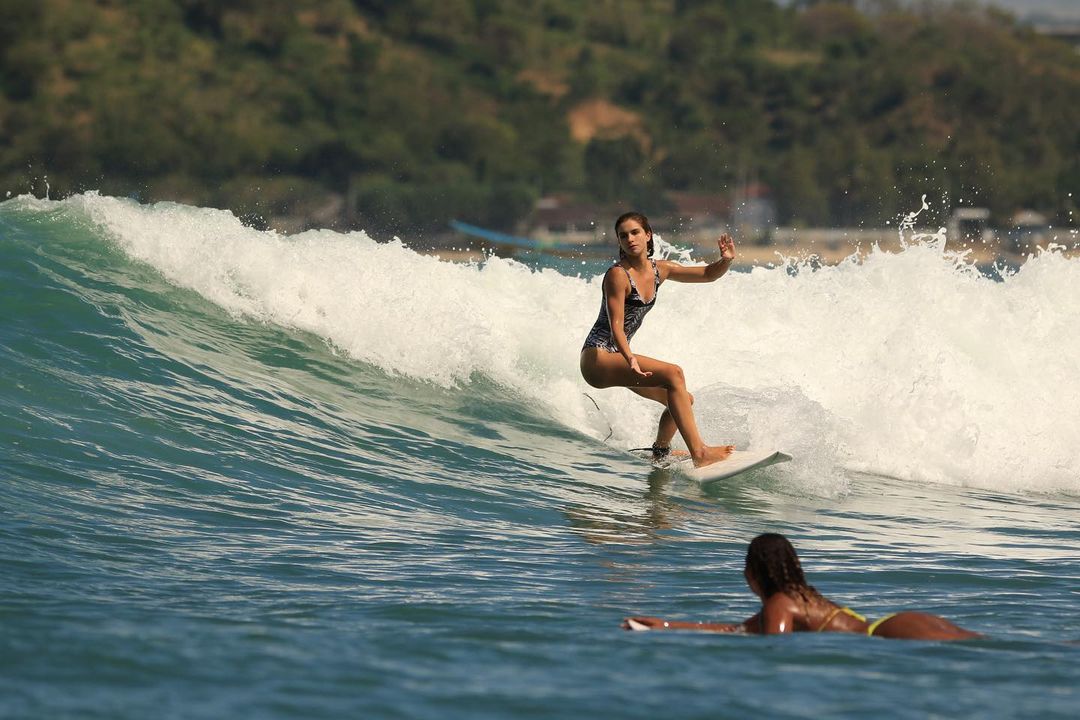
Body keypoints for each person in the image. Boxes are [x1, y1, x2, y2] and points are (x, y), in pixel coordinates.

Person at [580, 211, 736, 469]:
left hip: (619, 357)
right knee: (675, 373)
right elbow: (616, 325)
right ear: (619, 242)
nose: (630, 239)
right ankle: (700, 453)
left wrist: (726, 260)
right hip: (598, 358)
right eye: (623, 236)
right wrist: (630, 357)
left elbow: (708, 274)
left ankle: (661, 451)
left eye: (635, 232)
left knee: (683, 398)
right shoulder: (617, 275)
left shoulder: (660, 270)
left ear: (648, 235)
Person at [623, 533, 981, 640]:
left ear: (753, 573)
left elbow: (775, 646)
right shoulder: (800, 597)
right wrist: (664, 625)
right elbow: (738, 630)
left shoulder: (780, 603)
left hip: (892, 633)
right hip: (897, 624)